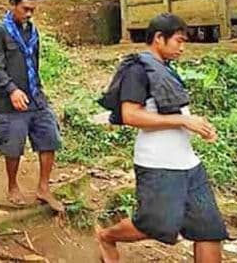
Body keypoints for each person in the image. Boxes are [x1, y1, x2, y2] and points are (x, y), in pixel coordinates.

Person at [95, 13, 226, 263]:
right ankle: (106, 236)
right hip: (158, 164)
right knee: (154, 225)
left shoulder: (165, 69)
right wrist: (183, 121)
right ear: (159, 38)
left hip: (189, 163)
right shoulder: (137, 70)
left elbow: (175, 112)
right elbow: (130, 115)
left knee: (209, 230)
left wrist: (198, 125)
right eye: (178, 40)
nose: (182, 47)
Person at [0, 0, 63, 212]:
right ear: (13, 5)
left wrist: (38, 89)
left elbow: (35, 63)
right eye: (25, 9)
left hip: (35, 97)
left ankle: (43, 187)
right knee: (13, 146)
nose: (29, 14)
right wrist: (12, 90)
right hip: (9, 102)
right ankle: (12, 185)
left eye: (32, 10)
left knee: (49, 137)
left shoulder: (33, 31)